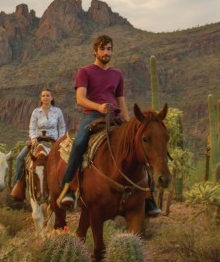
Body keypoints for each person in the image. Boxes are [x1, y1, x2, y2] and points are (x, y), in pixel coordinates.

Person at [58, 34, 161, 217]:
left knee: (139, 147)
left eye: (109, 49)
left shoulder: (117, 74)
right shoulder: (85, 72)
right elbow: (80, 99)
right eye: (103, 48)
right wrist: (99, 106)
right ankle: (69, 189)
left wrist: (131, 125)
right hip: (93, 116)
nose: (106, 52)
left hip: (115, 118)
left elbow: (121, 101)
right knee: (80, 143)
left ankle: (148, 195)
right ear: (95, 51)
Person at [11, 88, 66, 198]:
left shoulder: (57, 111)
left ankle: (66, 187)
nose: (45, 97)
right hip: (38, 140)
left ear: (52, 98)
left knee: (66, 159)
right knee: (20, 158)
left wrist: (59, 140)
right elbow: (31, 127)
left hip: (53, 141)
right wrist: (33, 138)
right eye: (43, 96)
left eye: (47, 95)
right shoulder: (36, 112)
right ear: (41, 98)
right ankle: (18, 184)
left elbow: (62, 126)